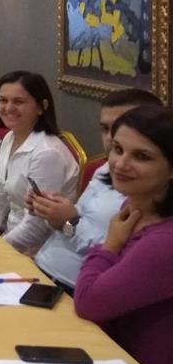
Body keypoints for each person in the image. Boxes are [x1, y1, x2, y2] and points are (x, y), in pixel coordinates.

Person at [73, 105, 173, 364]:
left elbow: (89, 302)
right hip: (113, 358)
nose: (119, 164)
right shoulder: (133, 207)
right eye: (118, 149)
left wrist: (110, 244)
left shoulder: (163, 241)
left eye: (141, 156)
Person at [32, 88, 163, 290]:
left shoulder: (149, 190)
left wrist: (70, 222)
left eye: (120, 127)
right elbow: (78, 219)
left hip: (75, 286)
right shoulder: (105, 168)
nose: (111, 137)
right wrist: (50, 209)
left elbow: (121, 254)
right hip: (43, 265)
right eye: (105, 128)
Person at [0, 71, 78, 256]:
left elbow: (37, 227)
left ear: (41, 107)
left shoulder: (47, 153)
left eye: (18, 102)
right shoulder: (10, 137)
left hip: (38, 253)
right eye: (3, 100)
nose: (8, 108)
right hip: (9, 241)